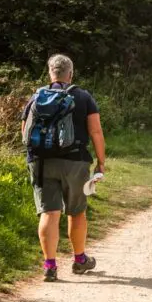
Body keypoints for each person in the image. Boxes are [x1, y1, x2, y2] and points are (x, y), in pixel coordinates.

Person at [21, 54, 106, 282]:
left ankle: (50, 266)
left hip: (41, 162)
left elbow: (24, 131)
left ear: (51, 73)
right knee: (76, 211)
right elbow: (95, 131)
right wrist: (101, 161)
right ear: (71, 74)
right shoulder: (83, 96)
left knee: (49, 212)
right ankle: (79, 260)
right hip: (75, 161)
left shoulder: (37, 96)